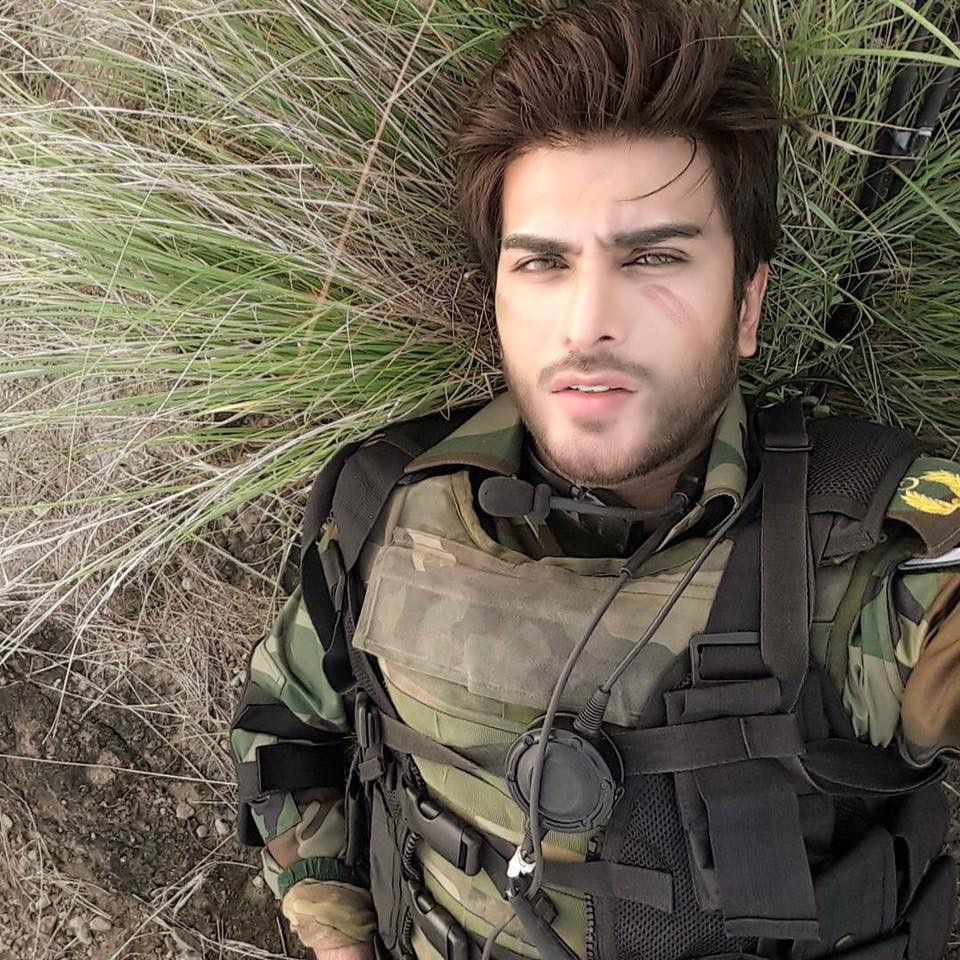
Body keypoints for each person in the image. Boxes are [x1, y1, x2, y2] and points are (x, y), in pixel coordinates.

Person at [228, 2, 960, 959]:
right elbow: (286, 732)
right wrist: (338, 939)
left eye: (653, 257)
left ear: (746, 304)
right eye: (543, 262)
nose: (587, 324)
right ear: (497, 296)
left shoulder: (879, 560)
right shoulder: (379, 503)